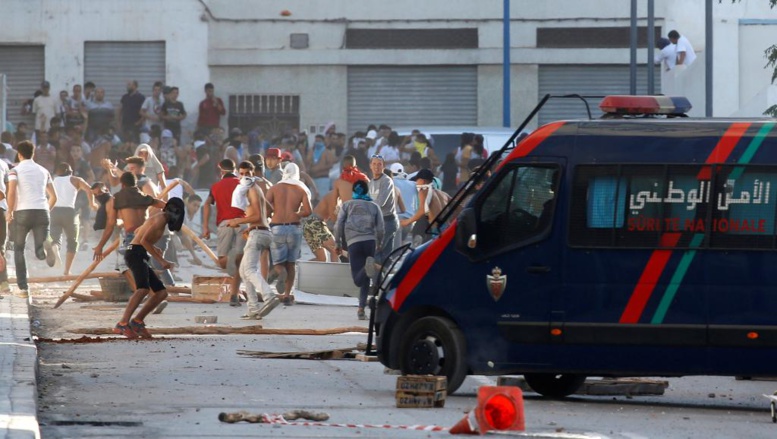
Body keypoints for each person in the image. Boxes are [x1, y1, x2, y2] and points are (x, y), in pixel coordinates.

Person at [112, 198, 184, 339]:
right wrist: (161, 260)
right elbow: (143, 240)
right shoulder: (161, 219)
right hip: (135, 253)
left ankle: (137, 322)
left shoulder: (159, 218)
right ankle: (122, 324)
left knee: (161, 293)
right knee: (143, 289)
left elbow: (138, 232)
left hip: (138, 252)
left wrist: (153, 247)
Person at [6, 140, 58, 298]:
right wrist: (46, 210)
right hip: (42, 211)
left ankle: (23, 288)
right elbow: (54, 197)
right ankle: (46, 248)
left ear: (19, 154)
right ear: (33, 154)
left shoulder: (15, 171)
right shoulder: (44, 171)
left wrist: (9, 211)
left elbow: (12, 191)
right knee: (40, 250)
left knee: (19, 249)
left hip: (22, 212)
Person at [227, 175, 280, 320]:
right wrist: (251, 226)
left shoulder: (251, 191)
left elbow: (256, 216)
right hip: (262, 231)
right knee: (243, 271)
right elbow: (268, 210)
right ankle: (253, 309)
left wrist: (238, 221)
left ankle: (269, 295)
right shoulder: (258, 191)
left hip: (258, 233)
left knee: (249, 270)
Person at [334, 180, 384, 320]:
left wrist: (338, 243)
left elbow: (338, 225)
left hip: (354, 242)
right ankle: (361, 309)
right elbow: (381, 228)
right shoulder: (374, 206)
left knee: (358, 280)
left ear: (354, 191)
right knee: (366, 277)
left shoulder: (347, 205)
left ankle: (361, 308)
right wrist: (379, 242)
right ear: (367, 190)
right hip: (370, 242)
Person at [265, 162, 312, 305]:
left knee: (278, 262)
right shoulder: (301, 189)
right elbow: (308, 211)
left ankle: (280, 272)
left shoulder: (274, 188)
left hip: (277, 227)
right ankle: (286, 295)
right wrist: (297, 213)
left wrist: (272, 213)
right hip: (294, 228)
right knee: (291, 264)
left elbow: (265, 208)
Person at [201, 159, 245, 306]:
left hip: (225, 223)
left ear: (221, 171)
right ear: (235, 169)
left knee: (222, 260)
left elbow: (207, 204)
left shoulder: (215, 186)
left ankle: (234, 293)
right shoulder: (242, 183)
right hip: (242, 222)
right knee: (239, 261)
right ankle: (234, 295)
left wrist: (205, 227)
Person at [50, 163, 96, 275]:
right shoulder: (75, 180)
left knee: (56, 237)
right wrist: (92, 203)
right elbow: (89, 190)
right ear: (70, 171)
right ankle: (67, 270)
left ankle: (55, 246)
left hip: (54, 211)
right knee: (72, 241)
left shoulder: (53, 180)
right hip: (69, 212)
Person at [400, 168, 451, 246]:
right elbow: (458, 208)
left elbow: (422, 210)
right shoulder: (443, 194)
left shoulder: (423, 191)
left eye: (417, 181)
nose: (416, 183)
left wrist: (407, 222)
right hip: (447, 228)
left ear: (422, 181)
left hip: (436, 230)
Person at [368, 154, 398, 264]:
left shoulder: (386, 181)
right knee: (386, 257)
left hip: (387, 222)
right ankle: (386, 273)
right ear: (370, 166)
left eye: (379, 164)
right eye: (374, 164)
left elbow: (380, 203)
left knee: (375, 251)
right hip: (379, 222)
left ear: (383, 166)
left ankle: (377, 275)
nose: (376, 167)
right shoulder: (371, 182)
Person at [0, 154, 10, 294]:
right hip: (2, 209)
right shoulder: (3, 164)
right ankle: (3, 282)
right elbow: (6, 190)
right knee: (1, 247)